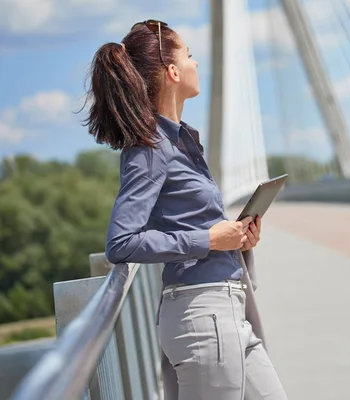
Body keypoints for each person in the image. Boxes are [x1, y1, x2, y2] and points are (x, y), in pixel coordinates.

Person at [84, 19, 288, 400]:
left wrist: (237, 239)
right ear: (173, 71)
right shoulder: (150, 149)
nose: (196, 64)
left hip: (227, 310)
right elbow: (121, 242)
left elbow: (186, 223)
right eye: (189, 56)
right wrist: (209, 239)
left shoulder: (180, 142)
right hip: (203, 317)